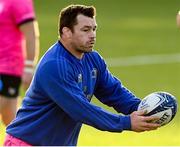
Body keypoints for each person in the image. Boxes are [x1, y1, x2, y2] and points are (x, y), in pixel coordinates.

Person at [4, 4, 160, 146]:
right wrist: (126, 122)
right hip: (26, 143)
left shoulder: (92, 58)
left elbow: (113, 91)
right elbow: (81, 109)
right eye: (85, 30)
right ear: (66, 32)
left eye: (94, 29)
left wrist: (143, 109)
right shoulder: (55, 66)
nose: (92, 35)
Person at [0, 0, 39, 126]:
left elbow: (31, 34)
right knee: (11, 120)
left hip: (7, 67)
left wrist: (28, 67)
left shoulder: (19, 1)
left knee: (10, 117)